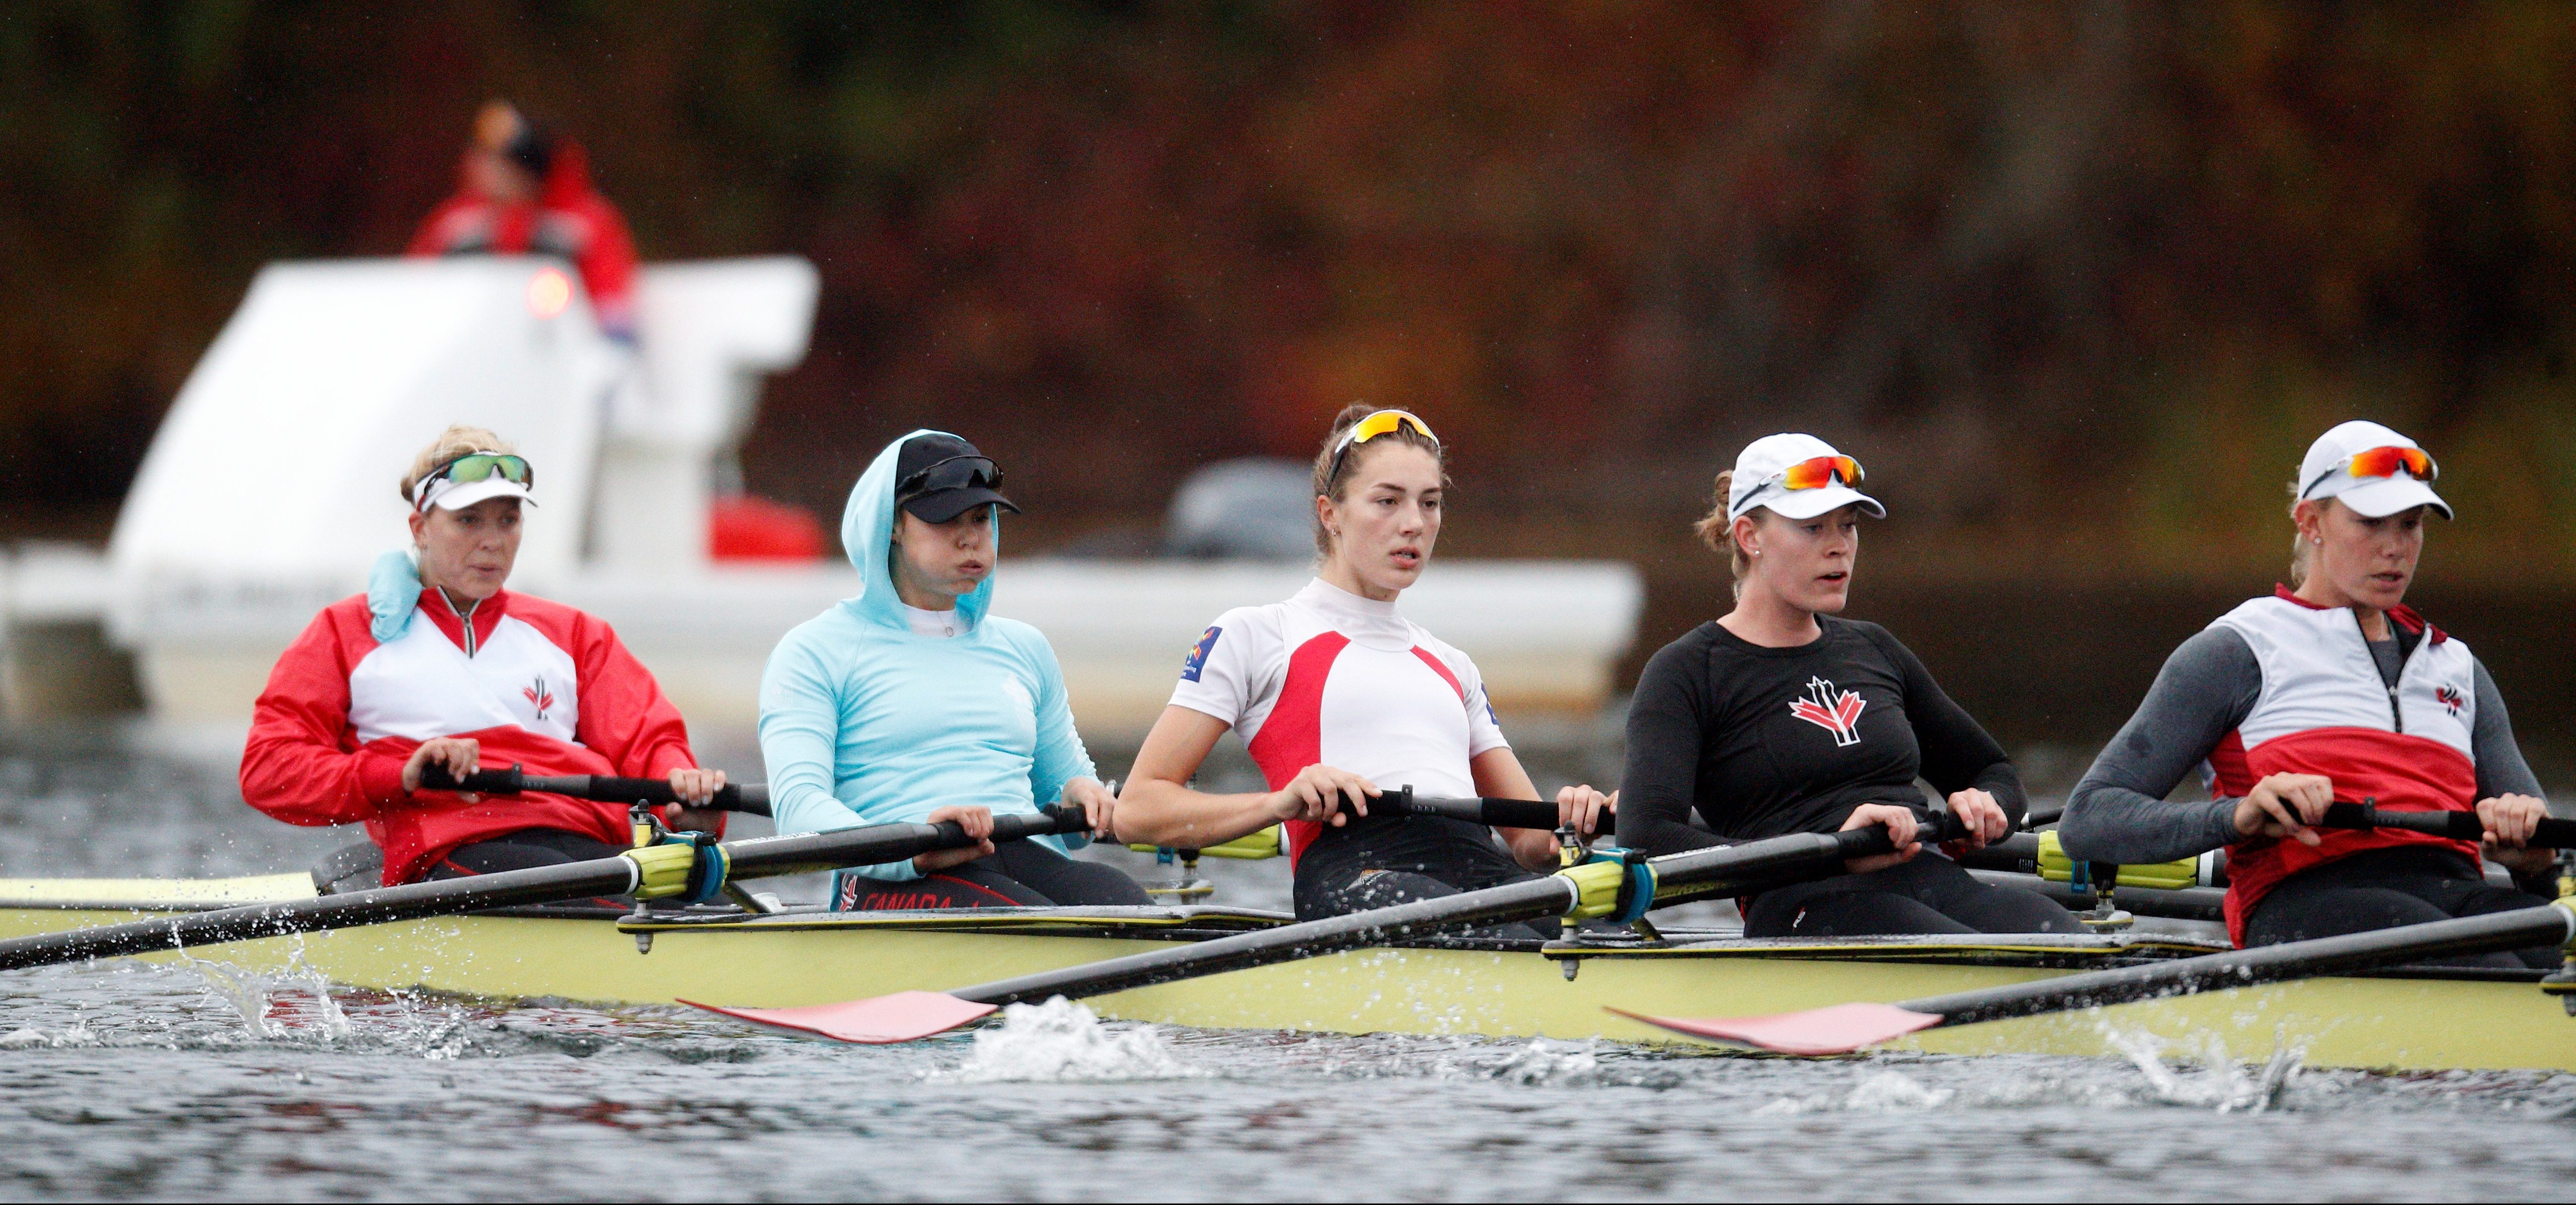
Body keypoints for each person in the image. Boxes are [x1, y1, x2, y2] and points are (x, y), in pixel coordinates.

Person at [2059, 420, 2559, 965]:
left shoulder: (2456, 666)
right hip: (2309, 900)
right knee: (2495, 964)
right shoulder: (2237, 650)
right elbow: (2089, 818)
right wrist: (2236, 815)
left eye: (2410, 524)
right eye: (2369, 522)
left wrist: (2530, 857)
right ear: (2310, 520)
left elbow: (2541, 865)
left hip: (2454, 895)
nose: (2394, 547)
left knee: (2536, 951)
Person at [1113, 406, 1612, 928]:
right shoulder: (1256, 635)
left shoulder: (1452, 664)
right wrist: (1279, 804)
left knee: (1612, 936)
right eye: (1387, 501)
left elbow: (1531, 843)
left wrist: (1578, 815)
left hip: (1483, 870)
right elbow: (1137, 811)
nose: (1414, 523)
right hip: (1359, 871)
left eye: (1430, 503)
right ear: (1330, 513)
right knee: (1520, 940)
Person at [1619, 433, 2082, 938]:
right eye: (1812, 526)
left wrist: (1985, 805)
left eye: (1847, 525)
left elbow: (1991, 770)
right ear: (1749, 535)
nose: (1838, 544)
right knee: (1940, 941)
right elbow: (1648, 835)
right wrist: (1832, 846)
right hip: (1802, 903)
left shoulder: (1875, 649)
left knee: (2058, 931)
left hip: (1927, 877)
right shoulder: (1686, 672)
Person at [241, 426, 729, 887]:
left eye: (508, 519)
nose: (493, 541)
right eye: (468, 519)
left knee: (698, 891)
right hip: (452, 842)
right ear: (421, 527)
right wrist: (402, 772)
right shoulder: (344, 632)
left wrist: (685, 798)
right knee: (635, 900)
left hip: (584, 839)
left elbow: (650, 743)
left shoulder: (576, 634)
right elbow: (269, 768)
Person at [758, 431, 1146, 910]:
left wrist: (1083, 793)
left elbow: (1065, 795)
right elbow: (798, 811)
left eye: (981, 519)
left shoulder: (1025, 648)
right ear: (892, 525)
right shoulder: (814, 651)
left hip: (1021, 858)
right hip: (892, 877)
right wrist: (915, 848)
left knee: (1124, 899)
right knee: (1030, 919)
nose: (971, 538)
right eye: (946, 520)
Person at [409, 101, 642, 341]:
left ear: (523, 167)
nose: (477, 166)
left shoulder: (585, 222)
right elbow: (415, 292)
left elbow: (613, 307)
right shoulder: (456, 220)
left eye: (492, 160)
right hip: (472, 352)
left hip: (559, 353)